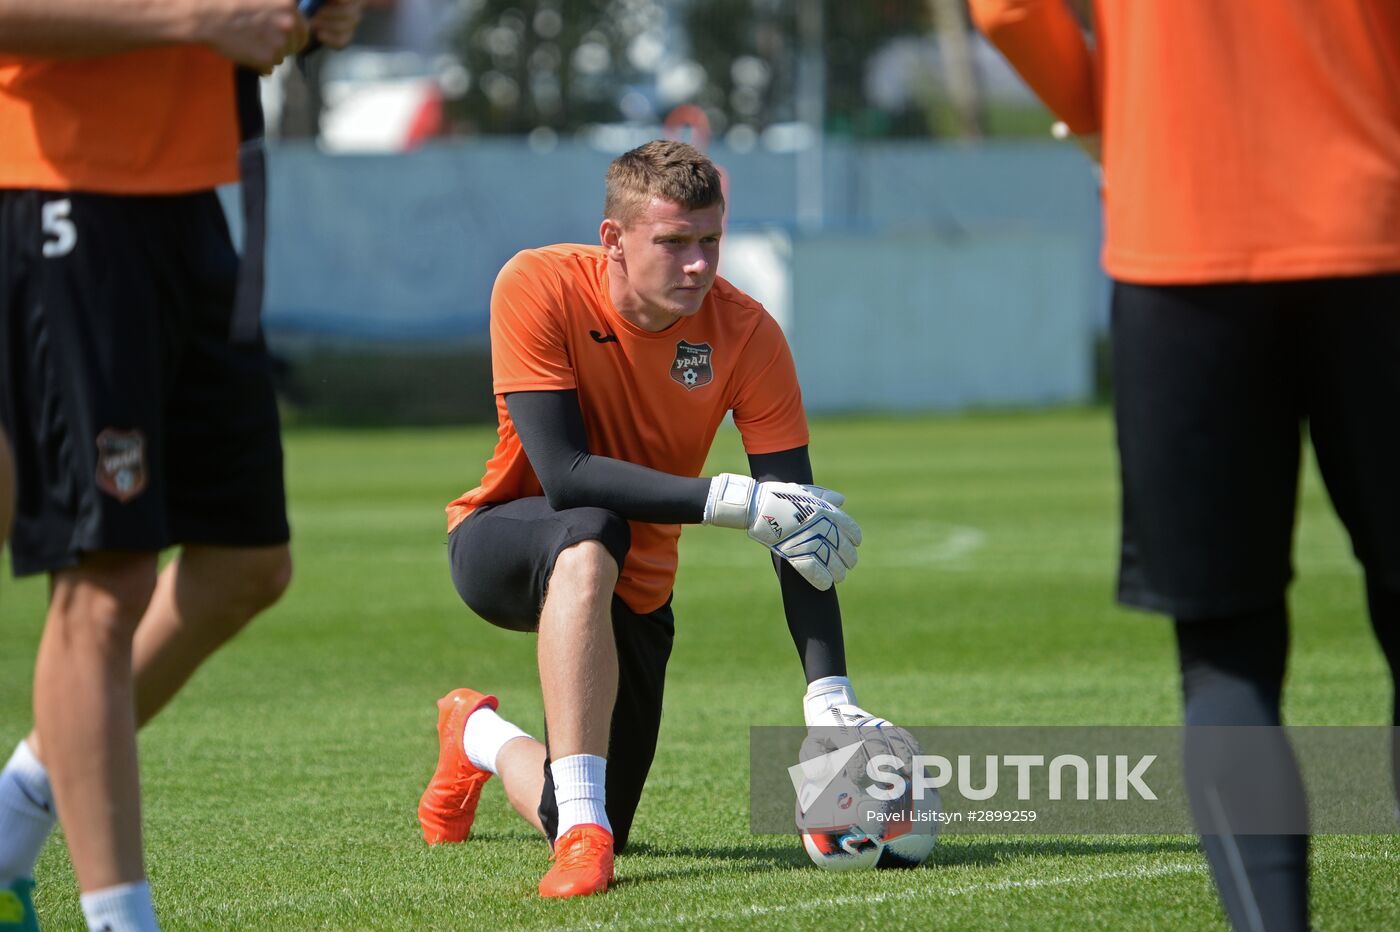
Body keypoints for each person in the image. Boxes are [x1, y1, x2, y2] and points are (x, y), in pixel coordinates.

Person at [970, 2, 1400, 929]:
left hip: (1179, 236)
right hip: (1381, 223)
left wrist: (1104, 119)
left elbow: (1007, 10)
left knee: (1226, 656)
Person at [420, 139, 893, 898]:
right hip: (505, 540)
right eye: (674, 243)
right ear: (613, 239)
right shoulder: (536, 282)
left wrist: (828, 696)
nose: (699, 264)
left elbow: (798, 527)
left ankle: (472, 732)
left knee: (590, 808)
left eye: (710, 241)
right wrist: (733, 499)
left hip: (637, 591)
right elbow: (565, 475)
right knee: (592, 533)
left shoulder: (749, 334)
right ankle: (581, 837)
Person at [0, 2, 363, 930]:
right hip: (61, 195)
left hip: (191, 203)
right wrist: (204, 18)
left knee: (248, 563)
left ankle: (10, 817)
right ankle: (122, 918)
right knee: (105, 578)